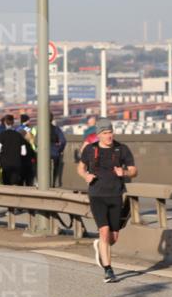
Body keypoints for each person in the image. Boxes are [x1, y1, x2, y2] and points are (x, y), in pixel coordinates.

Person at [78, 119, 137, 283]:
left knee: (113, 237)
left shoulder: (121, 149)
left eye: (110, 132)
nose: (109, 136)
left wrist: (124, 172)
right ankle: (108, 270)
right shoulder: (90, 149)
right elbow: (80, 167)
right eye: (105, 133)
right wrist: (85, 176)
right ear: (98, 135)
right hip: (97, 195)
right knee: (104, 231)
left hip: (116, 195)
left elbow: (134, 170)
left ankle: (100, 246)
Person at [0, 115, 28, 185]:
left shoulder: (2, 135)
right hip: (17, 164)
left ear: (5, 122)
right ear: (13, 123)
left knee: (7, 184)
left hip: (5, 165)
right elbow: (24, 153)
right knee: (16, 184)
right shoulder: (18, 135)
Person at [49, 114, 67, 188]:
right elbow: (63, 141)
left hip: (43, 153)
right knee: (55, 167)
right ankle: (54, 182)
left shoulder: (40, 129)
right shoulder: (56, 129)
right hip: (54, 152)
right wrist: (59, 149)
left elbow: (35, 142)